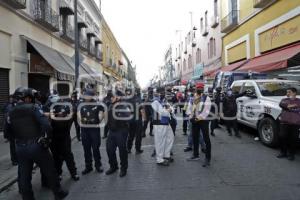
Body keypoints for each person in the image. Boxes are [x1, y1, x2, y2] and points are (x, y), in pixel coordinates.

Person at [5, 87, 68, 200]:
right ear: (27, 98)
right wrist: (47, 139)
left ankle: (27, 197)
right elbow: (47, 126)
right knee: (50, 170)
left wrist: (17, 141)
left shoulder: (10, 112)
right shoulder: (33, 108)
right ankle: (58, 193)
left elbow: (7, 132)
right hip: (36, 145)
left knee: (24, 176)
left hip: (20, 147)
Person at [45, 94, 79, 181]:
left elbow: (72, 113)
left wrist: (61, 114)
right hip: (54, 137)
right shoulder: (48, 107)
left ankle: (73, 173)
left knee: (68, 155)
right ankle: (58, 173)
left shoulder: (66, 108)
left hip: (64, 136)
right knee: (56, 156)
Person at [78, 89, 104, 175]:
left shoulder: (98, 105)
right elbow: (78, 115)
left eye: (88, 95)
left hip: (94, 130)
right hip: (85, 130)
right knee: (86, 149)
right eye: (85, 95)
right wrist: (81, 121)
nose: (86, 97)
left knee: (95, 148)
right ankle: (88, 166)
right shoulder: (81, 105)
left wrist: (98, 120)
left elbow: (101, 115)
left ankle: (98, 165)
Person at [106, 90, 131, 177]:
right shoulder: (110, 105)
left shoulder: (124, 106)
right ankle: (113, 166)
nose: (111, 98)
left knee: (122, 151)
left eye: (112, 97)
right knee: (109, 149)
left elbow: (128, 117)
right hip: (112, 132)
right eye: (110, 97)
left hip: (121, 131)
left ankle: (123, 168)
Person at [187, 83, 212, 167]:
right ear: (196, 88)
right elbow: (189, 108)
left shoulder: (206, 98)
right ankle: (195, 155)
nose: (199, 89)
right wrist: (190, 116)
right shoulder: (193, 97)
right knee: (195, 137)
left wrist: (197, 118)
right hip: (194, 121)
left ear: (203, 89)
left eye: (201, 88)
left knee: (206, 139)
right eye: (198, 88)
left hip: (203, 121)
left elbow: (206, 111)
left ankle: (207, 158)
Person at [151, 87, 174, 166]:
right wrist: (169, 110)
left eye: (163, 92)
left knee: (170, 137)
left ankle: (166, 155)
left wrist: (169, 109)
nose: (163, 93)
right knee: (160, 141)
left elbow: (171, 108)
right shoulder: (155, 101)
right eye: (161, 92)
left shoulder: (163, 100)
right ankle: (160, 159)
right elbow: (162, 112)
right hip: (159, 123)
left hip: (166, 122)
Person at [277, 87, 300, 161]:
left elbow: (289, 106)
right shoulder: (284, 100)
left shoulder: (299, 101)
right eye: (287, 92)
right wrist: (293, 106)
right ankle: (283, 152)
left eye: (289, 92)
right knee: (282, 136)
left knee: (293, 139)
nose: (287, 94)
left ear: (294, 93)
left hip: (296, 123)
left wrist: (290, 106)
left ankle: (291, 154)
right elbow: (283, 105)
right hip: (284, 122)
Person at [126, 88, 144, 154]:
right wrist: (144, 119)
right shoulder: (138, 99)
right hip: (138, 119)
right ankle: (137, 149)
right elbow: (142, 110)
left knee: (131, 135)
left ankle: (128, 148)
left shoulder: (127, 100)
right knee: (138, 135)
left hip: (130, 119)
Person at [3, 95, 18, 166]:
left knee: (14, 146)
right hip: (12, 130)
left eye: (13, 98)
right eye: (10, 98)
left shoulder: (14, 106)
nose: (12, 99)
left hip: (14, 130)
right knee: (13, 146)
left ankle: (15, 159)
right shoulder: (8, 106)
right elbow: (7, 122)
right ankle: (14, 160)